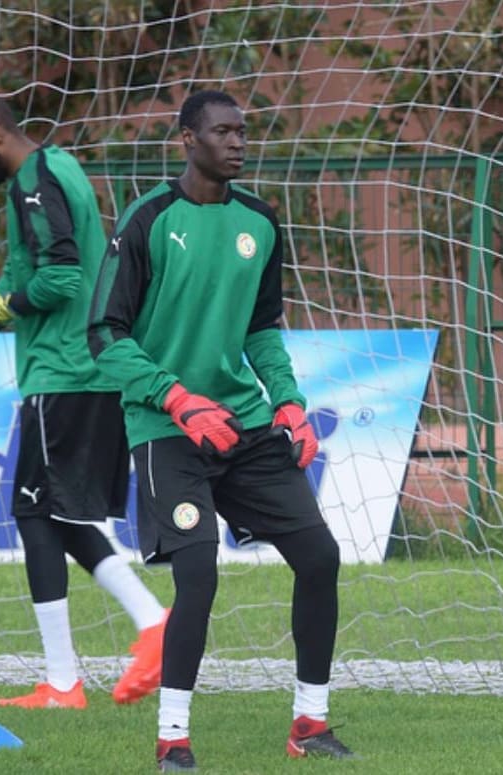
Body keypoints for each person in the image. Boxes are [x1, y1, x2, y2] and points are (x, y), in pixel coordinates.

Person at [87, 89, 354, 770]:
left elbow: (262, 331)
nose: (237, 142)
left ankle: (310, 722)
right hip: (165, 427)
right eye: (222, 132)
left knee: (320, 557)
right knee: (198, 573)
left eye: (242, 131)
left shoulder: (260, 223)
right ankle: (173, 737)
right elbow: (104, 335)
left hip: (243, 425)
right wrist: (176, 399)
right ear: (186, 139)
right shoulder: (147, 221)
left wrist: (289, 403)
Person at [0, 91, 168, 709]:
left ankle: (135, 635)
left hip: (66, 374)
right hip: (78, 373)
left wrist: (3, 307)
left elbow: (62, 278)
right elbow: (25, 277)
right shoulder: (54, 170)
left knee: (39, 514)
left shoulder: (34, 182)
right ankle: (73, 674)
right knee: (48, 515)